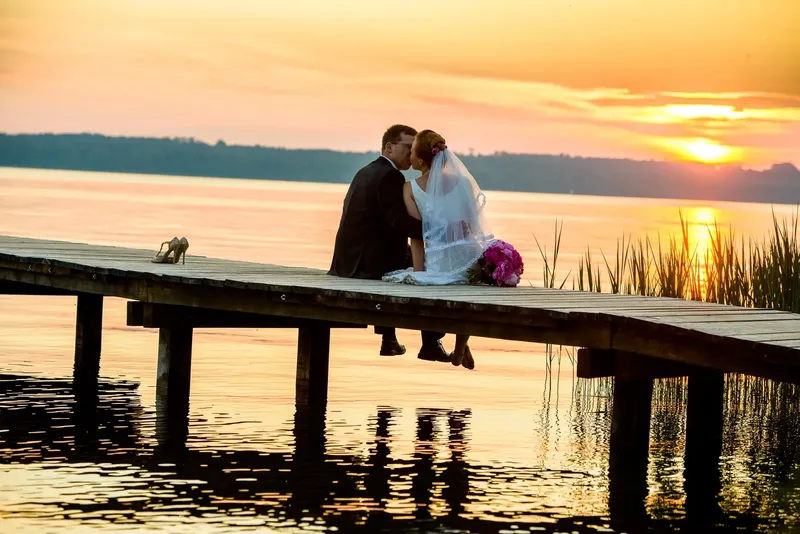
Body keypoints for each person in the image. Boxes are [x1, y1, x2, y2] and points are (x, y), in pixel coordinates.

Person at [328, 124, 451, 363]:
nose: (410, 153)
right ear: (389, 147)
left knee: (409, 257)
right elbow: (399, 222)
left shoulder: (366, 170)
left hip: (348, 259)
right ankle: (430, 343)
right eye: (407, 147)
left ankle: (390, 340)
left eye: (413, 148)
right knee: (428, 272)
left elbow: (385, 221)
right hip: (367, 263)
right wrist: (439, 232)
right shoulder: (390, 176)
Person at [383, 130, 497, 369]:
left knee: (442, 284)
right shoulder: (464, 183)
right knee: (465, 294)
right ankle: (461, 345)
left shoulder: (410, 188)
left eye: (412, 152)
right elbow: (472, 227)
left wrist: (419, 270)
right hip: (468, 257)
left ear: (421, 161)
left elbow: (417, 236)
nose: (410, 157)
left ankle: (459, 348)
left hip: (438, 259)